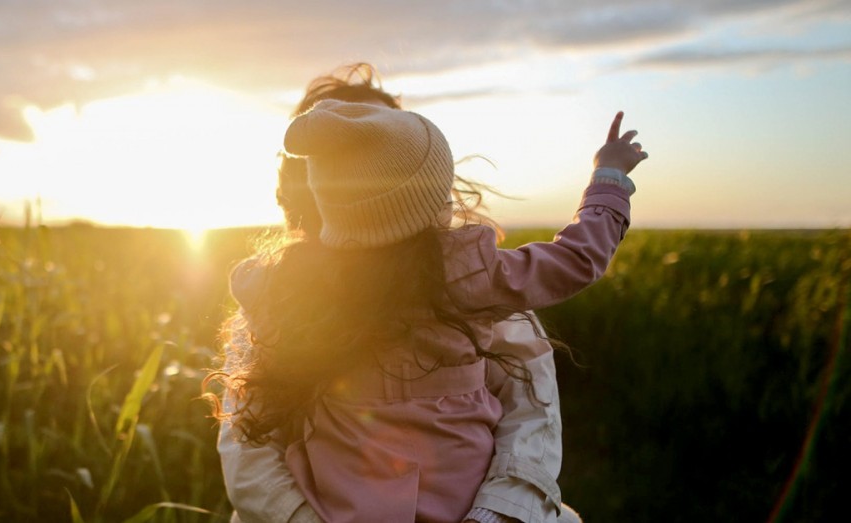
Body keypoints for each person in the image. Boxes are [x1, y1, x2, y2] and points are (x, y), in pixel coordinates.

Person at [211, 65, 645, 522]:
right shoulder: (470, 275)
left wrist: (489, 518)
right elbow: (249, 452)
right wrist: (609, 179)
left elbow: (529, 420)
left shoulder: (284, 285)